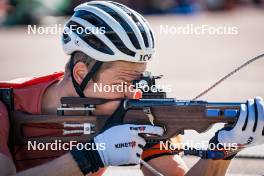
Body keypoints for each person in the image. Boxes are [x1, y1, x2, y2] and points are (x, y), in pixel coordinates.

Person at [0, 1, 264, 176]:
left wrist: (225, 149)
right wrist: (91, 156)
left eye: (138, 79)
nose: (133, 92)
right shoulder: (5, 103)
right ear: (82, 73)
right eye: (124, 80)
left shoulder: (136, 108)